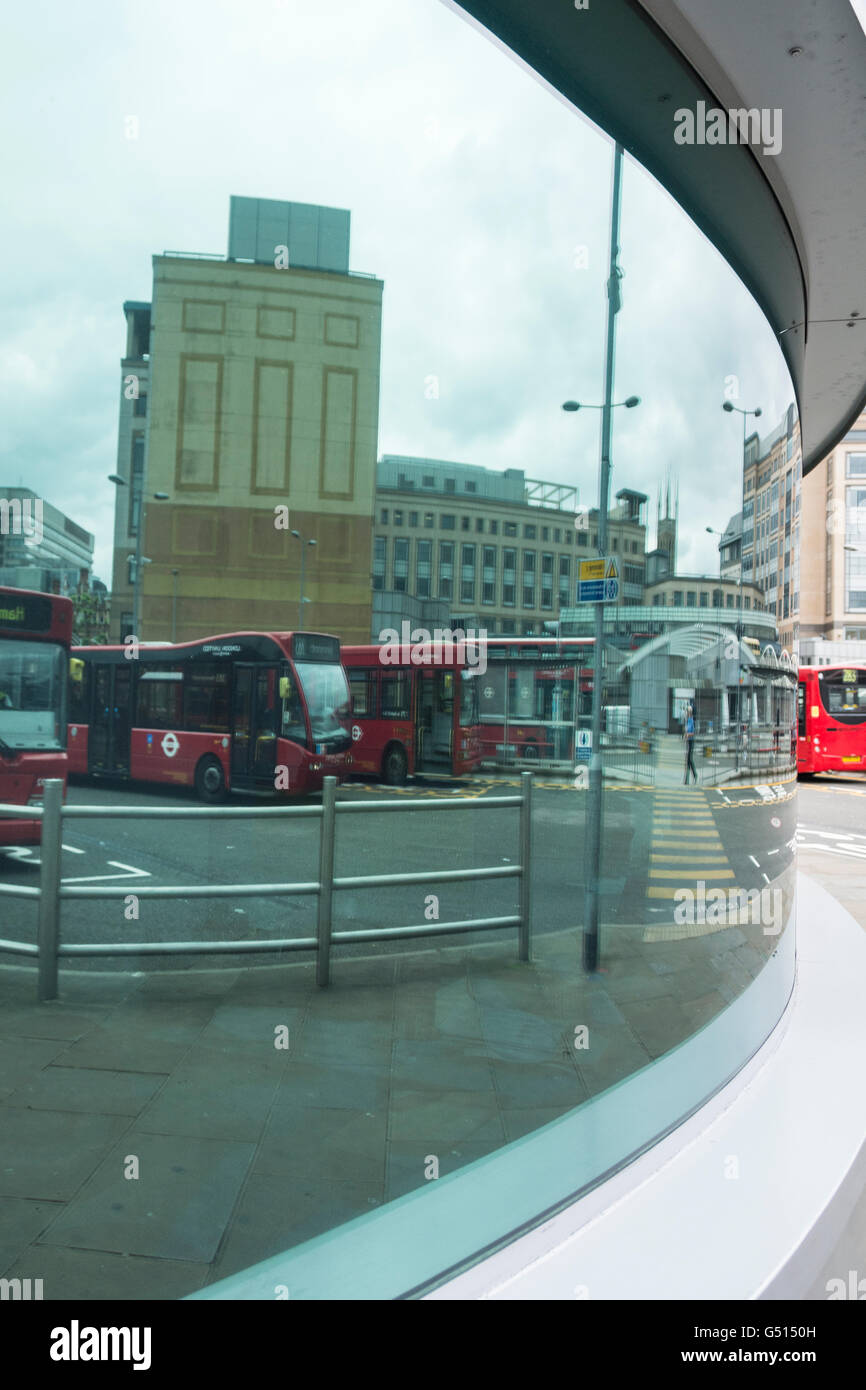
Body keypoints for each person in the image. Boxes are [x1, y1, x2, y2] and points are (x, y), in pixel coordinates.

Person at [683, 703, 697, 784]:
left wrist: (688, 734)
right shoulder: (688, 720)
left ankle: (687, 779)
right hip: (688, 742)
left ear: (690, 713)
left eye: (687, 712)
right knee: (689, 760)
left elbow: (693, 732)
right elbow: (687, 731)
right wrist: (685, 735)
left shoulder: (691, 721)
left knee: (688, 760)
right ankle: (694, 776)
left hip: (691, 742)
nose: (686, 713)